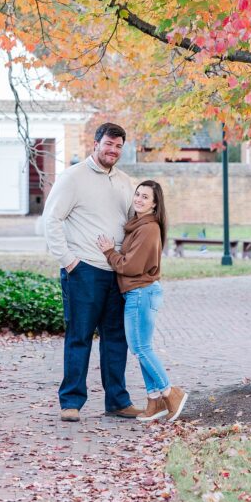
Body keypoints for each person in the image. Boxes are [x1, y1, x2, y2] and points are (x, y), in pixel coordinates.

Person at [43, 122, 142, 422]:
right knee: (79, 336)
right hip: (83, 270)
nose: (113, 150)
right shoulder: (73, 178)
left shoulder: (125, 181)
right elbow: (52, 219)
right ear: (96, 143)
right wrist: (69, 261)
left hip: (116, 272)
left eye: (118, 146)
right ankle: (71, 401)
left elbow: (131, 224)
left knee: (116, 339)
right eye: (108, 144)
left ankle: (117, 401)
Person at [98, 180, 188, 423]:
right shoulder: (139, 225)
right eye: (137, 194)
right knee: (141, 348)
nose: (138, 199)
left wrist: (109, 252)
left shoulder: (149, 228)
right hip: (138, 293)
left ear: (155, 203)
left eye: (145, 197)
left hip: (141, 292)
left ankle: (171, 392)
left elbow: (131, 266)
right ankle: (154, 399)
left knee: (141, 349)